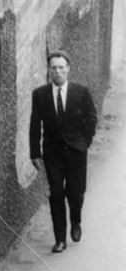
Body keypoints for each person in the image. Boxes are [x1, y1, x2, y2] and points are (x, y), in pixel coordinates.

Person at [29, 50, 98, 253]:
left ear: (68, 69)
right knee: (56, 194)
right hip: (53, 154)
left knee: (75, 193)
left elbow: (91, 119)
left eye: (61, 67)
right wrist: (34, 153)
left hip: (76, 152)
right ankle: (60, 239)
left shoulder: (81, 92)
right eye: (53, 68)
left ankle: (75, 221)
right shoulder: (40, 94)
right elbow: (34, 124)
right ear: (49, 71)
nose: (57, 72)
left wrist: (84, 142)